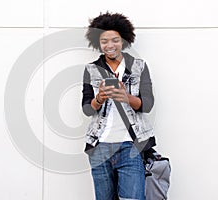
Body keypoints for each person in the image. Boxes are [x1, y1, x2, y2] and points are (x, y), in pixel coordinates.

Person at [82, 12, 156, 200]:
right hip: (99, 147)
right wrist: (99, 99)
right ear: (98, 43)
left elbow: (147, 104)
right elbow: (87, 109)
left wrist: (126, 97)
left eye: (115, 40)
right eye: (104, 41)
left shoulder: (139, 66)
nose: (110, 45)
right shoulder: (91, 69)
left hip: (130, 146)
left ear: (123, 40)